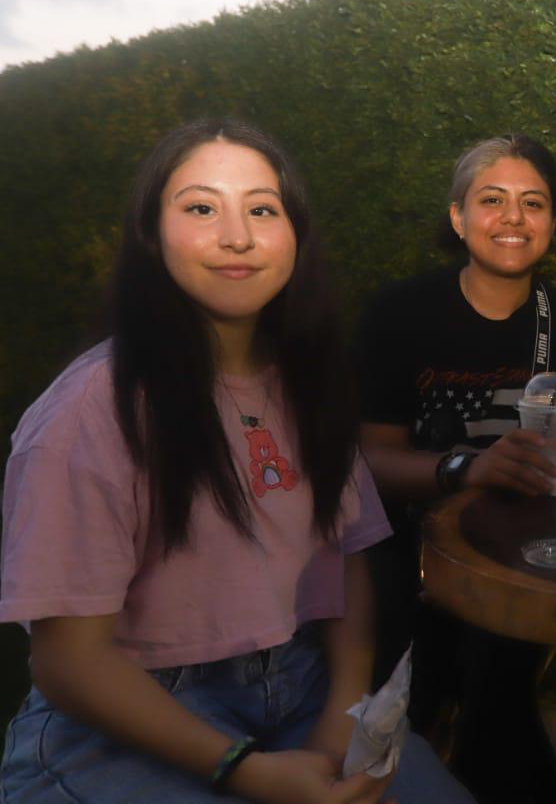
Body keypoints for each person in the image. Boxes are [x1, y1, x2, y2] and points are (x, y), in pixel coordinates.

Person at [0, 120, 472, 803]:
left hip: (303, 688)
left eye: (262, 210)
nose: (237, 237)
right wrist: (243, 769)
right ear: (150, 233)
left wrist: (345, 714)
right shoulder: (89, 411)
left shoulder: (309, 385)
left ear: (296, 235)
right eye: (200, 208)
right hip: (133, 712)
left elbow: (346, 558)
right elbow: (69, 659)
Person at [354, 134, 556, 804]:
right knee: (398, 707)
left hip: (530, 560)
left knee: (496, 693)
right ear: (457, 216)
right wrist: (464, 468)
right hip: (403, 553)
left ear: (552, 222)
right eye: (492, 200)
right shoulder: (399, 315)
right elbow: (367, 465)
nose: (513, 218)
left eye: (533, 203)